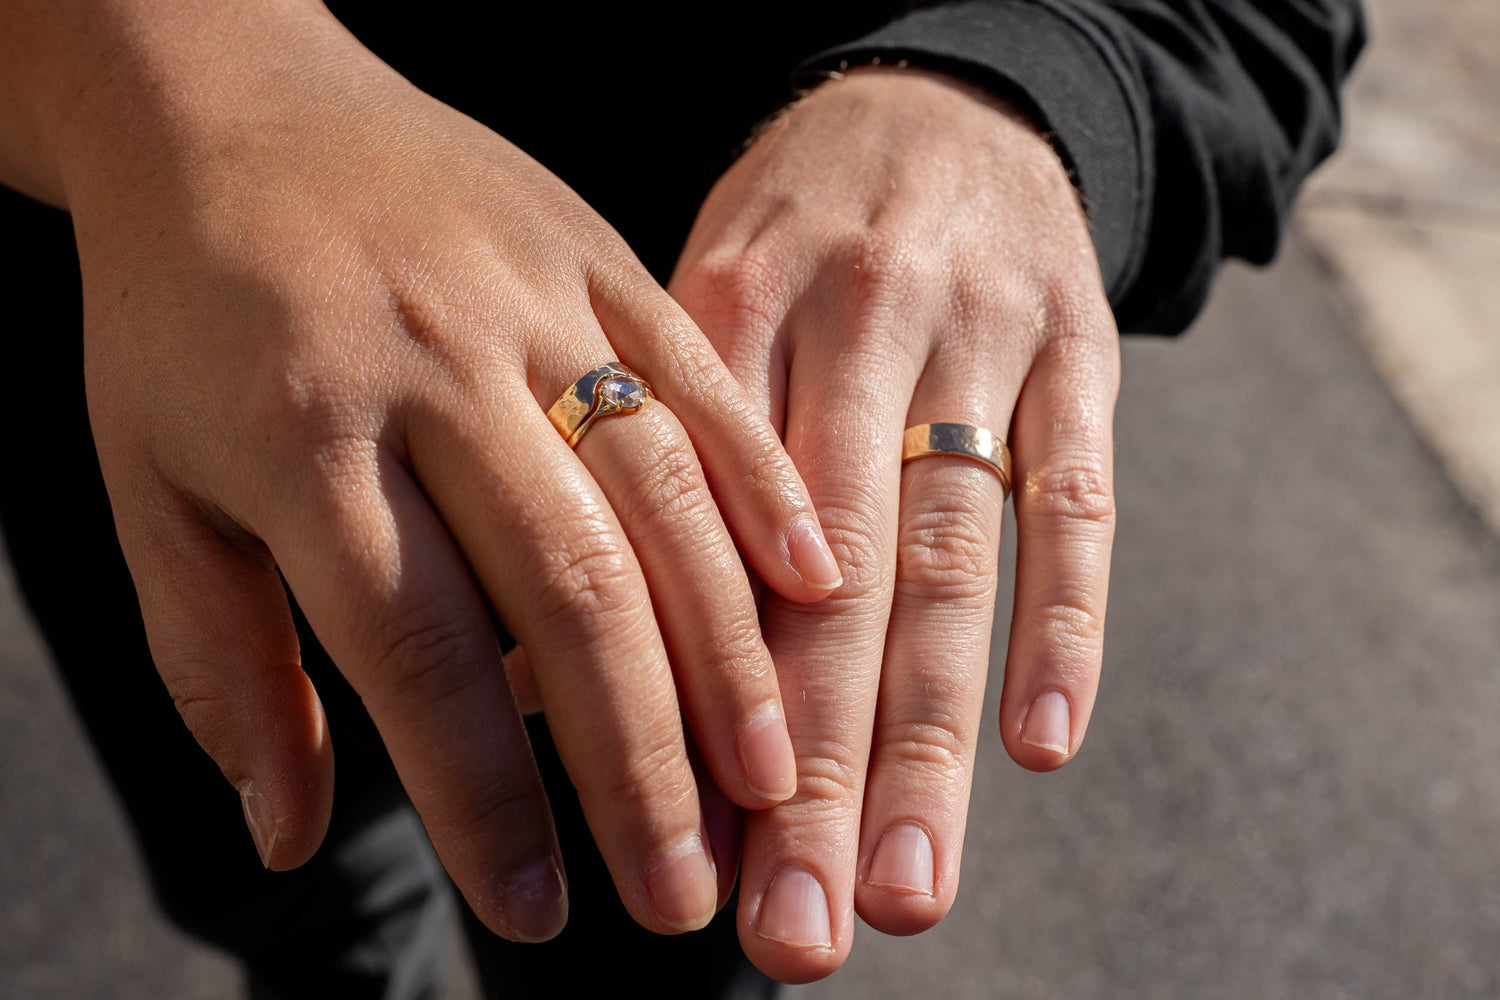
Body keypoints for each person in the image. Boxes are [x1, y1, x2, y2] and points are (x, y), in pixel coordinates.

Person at [0, 0, 1365, 995]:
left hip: (706, 571)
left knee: (644, 929)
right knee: (292, 886)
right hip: (159, 368)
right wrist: (174, 83)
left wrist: (1009, 80)